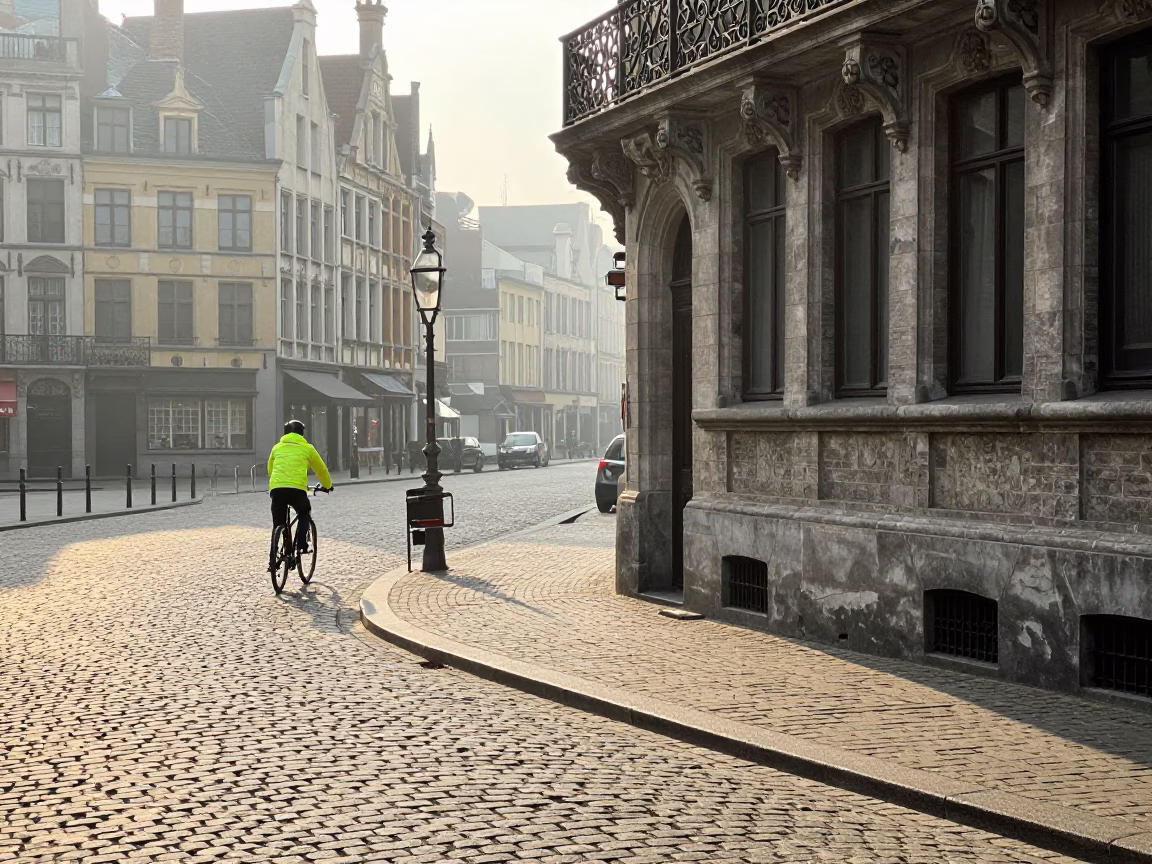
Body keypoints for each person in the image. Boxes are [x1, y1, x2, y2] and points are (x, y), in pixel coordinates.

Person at [267, 420, 333, 559]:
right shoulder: (308, 448)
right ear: (302, 433)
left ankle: (274, 554)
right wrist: (327, 485)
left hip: (277, 488)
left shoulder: (276, 448)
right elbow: (320, 470)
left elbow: (270, 469)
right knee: (304, 512)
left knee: (278, 522)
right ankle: (302, 544)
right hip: (297, 489)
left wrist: (277, 483)